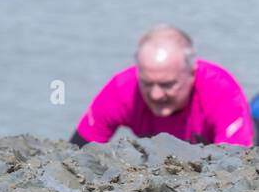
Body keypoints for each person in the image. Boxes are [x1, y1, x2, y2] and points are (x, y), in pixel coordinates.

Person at [71, 25, 252, 147]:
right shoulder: (123, 88)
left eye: (167, 84)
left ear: (191, 73)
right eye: (147, 83)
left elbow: (235, 165)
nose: (156, 95)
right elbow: (76, 151)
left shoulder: (221, 90)